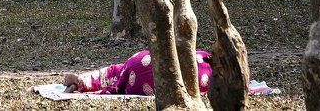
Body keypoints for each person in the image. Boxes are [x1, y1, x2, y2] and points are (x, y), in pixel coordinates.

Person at [62, 50, 213, 96]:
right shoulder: (215, 83)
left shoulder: (203, 55)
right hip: (152, 85)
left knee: (119, 72)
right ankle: (87, 85)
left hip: (145, 60)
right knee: (121, 83)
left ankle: (82, 81)